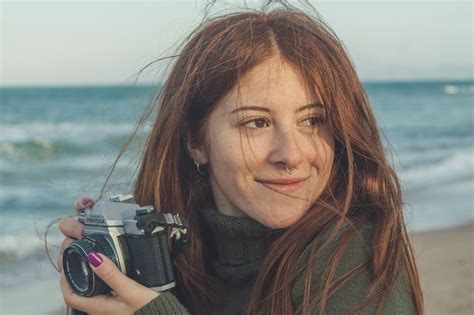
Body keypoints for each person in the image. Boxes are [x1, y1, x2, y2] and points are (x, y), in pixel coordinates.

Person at [57, 4, 424, 315]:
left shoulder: (354, 258)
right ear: (196, 142)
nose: (292, 154)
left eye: (313, 120)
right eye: (256, 122)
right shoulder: (168, 253)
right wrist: (102, 290)